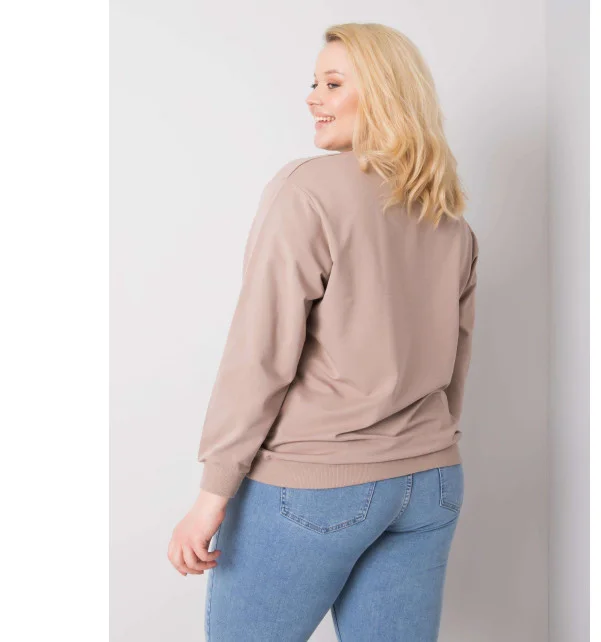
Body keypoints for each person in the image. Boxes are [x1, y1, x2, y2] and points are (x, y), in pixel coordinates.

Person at [167, 22, 479, 642]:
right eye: (314, 82)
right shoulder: (449, 218)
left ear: (385, 94)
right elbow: (456, 360)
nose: (313, 97)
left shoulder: (306, 190)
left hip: (317, 485)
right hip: (431, 483)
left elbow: (261, 351)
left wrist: (211, 495)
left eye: (333, 83)